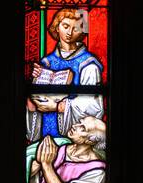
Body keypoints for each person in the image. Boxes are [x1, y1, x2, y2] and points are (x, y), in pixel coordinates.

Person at [28, 8, 104, 141]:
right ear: (57, 27)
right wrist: (32, 96)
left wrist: (60, 107)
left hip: (76, 139)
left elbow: (94, 106)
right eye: (65, 26)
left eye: (75, 28)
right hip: (44, 134)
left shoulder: (88, 65)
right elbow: (34, 100)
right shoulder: (46, 62)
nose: (69, 32)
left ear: (82, 31)